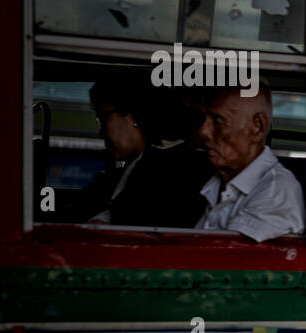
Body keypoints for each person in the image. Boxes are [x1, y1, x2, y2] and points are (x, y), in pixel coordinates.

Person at [66, 74, 211, 228]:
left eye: (102, 118)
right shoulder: (126, 172)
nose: (101, 132)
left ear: (131, 117)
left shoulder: (167, 170)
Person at [194, 86, 305, 242]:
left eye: (218, 122)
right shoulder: (217, 181)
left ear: (258, 126)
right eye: (204, 121)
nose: (203, 132)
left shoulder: (276, 189)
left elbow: (226, 258)